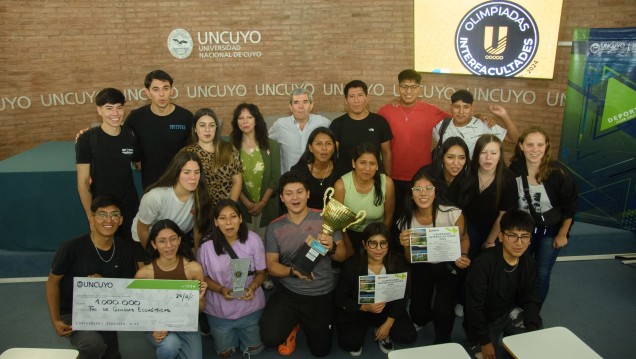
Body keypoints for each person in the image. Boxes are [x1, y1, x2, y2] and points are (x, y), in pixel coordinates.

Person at [259, 171, 347, 357]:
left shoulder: (326, 219)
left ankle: (299, 323)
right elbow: (272, 266)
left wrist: (331, 248)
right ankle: (292, 325)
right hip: (289, 292)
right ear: (282, 198)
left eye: (299, 192)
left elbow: (342, 256)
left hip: (320, 293)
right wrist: (292, 271)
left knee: (321, 351)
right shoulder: (275, 227)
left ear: (308, 194)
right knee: (269, 338)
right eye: (289, 193)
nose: (295, 197)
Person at [46, 195, 136, 359]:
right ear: (92, 218)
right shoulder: (71, 248)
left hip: (105, 312)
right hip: (72, 313)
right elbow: (52, 283)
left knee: (112, 356)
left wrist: (105, 286)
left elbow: (127, 289)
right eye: (102, 214)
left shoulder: (126, 250)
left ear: (121, 220)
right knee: (92, 345)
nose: (108, 220)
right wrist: (56, 320)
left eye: (114, 215)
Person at [396, 167, 471, 344]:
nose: (423, 194)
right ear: (411, 193)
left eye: (428, 188)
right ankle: (421, 319)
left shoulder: (453, 213)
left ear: (436, 192)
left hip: (448, 265)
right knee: (418, 312)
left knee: (443, 310)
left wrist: (464, 255)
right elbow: (409, 259)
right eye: (418, 189)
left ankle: (443, 338)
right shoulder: (405, 220)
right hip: (422, 266)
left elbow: (464, 238)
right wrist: (406, 246)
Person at [509, 127, 577, 304]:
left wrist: (562, 234)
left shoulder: (558, 173)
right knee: (519, 269)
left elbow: (569, 207)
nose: (535, 149)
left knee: (541, 272)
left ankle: (532, 312)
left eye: (540, 145)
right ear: (521, 146)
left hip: (550, 230)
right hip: (523, 230)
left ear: (546, 146)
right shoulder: (515, 168)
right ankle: (516, 306)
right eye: (530, 144)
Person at [463, 210, 543, 359]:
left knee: (532, 349)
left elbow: (531, 297)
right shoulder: (483, 264)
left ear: (530, 240)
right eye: (513, 236)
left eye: (525, 237)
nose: (519, 243)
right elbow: (474, 307)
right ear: (500, 236)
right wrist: (484, 341)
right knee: (483, 356)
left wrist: (532, 331)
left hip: (511, 312)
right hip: (486, 320)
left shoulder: (528, 262)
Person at [197, 200, 267, 358]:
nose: (228, 223)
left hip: (250, 307)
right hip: (218, 310)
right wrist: (222, 290)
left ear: (241, 218)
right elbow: (203, 278)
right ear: (215, 222)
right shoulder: (206, 246)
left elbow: (262, 273)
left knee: (254, 350)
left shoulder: (253, 239)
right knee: (225, 353)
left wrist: (253, 287)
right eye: (222, 218)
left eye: (233, 216)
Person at [335, 222, 416, 356]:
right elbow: (340, 298)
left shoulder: (398, 263)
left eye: (383, 243)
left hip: (386, 309)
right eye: (372, 243)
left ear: (388, 244)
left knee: (408, 336)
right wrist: (363, 307)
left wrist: (388, 323)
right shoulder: (351, 266)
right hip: (359, 309)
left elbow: (403, 295)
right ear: (364, 244)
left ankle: (381, 328)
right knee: (350, 344)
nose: (378, 249)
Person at [378, 69, 451, 215]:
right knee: (395, 218)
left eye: (413, 87)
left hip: (422, 178)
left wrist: (480, 116)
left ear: (419, 88)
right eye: (404, 86)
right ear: (398, 88)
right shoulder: (385, 111)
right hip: (393, 178)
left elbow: (458, 120)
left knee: (420, 218)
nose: (408, 91)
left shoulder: (431, 111)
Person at [135, 219, 207, 359]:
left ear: (179, 240)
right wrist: (152, 329)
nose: (169, 246)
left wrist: (197, 300)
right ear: (154, 244)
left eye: (173, 239)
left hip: (186, 323)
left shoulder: (193, 269)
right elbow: (139, 310)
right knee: (170, 346)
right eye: (162, 241)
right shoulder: (144, 275)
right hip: (158, 324)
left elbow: (201, 308)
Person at [76, 88, 139, 242]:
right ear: (99, 110)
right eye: (109, 108)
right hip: (103, 208)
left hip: (129, 208)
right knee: (106, 250)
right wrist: (92, 215)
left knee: (132, 253)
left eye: (119, 108)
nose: (115, 114)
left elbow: (139, 164)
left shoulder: (130, 135)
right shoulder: (87, 139)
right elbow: (83, 183)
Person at [125, 70, 194, 189]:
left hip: (181, 185)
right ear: (148, 92)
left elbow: (194, 149)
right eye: (156, 89)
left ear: (172, 90)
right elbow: (122, 139)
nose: (161, 94)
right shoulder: (136, 118)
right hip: (151, 185)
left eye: (166, 88)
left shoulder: (186, 117)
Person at [131, 151, 211, 254]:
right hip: (147, 240)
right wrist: (155, 256)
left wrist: (198, 257)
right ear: (177, 174)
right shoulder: (155, 197)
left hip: (175, 240)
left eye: (197, 172)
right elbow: (142, 229)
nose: (193, 177)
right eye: (187, 172)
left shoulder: (201, 196)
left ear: (239, 219)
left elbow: (198, 231)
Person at [334, 142, 395, 256]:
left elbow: (389, 217)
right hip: (349, 236)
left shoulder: (387, 183)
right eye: (362, 163)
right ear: (353, 163)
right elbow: (339, 225)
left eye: (372, 163)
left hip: (377, 236)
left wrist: (379, 243)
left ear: (377, 165)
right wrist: (348, 248)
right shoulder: (341, 186)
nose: (367, 168)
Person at [230, 103, 280, 239]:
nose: (245, 121)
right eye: (240, 118)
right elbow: (230, 179)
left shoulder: (272, 146)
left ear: (256, 120)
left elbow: (275, 178)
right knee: (243, 245)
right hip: (242, 207)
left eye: (249, 117)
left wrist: (262, 203)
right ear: (236, 122)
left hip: (267, 205)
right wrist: (246, 202)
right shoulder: (231, 147)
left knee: (267, 246)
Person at [464, 135, 518, 259]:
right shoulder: (468, 172)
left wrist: (490, 241)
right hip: (468, 227)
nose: (488, 158)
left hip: (494, 229)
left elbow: (503, 215)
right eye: (483, 152)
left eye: (494, 153)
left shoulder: (508, 179)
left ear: (500, 155)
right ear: (477, 154)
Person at [181, 108, 242, 208]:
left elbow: (237, 181)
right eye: (202, 125)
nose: (207, 129)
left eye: (211, 125)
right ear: (195, 128)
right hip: (197, 210)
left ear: (216, 128)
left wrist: (229, 207)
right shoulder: (187, 153)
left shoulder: (230, 149)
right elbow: (182, 186)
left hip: (227, 209)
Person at [330, 80, 393, 175]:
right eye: (351, 96)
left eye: (360, 95)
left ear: (367, 98)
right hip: (344, 179)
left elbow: (386, 153)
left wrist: (387, 178)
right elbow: (332, 155)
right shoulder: (337, 124)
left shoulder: (380, 122)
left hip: (374, 178)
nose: (356, 101)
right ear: (346, 100)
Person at [432, 89, 519, 157]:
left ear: (472, 108)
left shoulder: (485, 125)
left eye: (466, 107)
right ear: (451, 107)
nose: (461, 112)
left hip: (474, 178)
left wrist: (504, 116)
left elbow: (515, 139)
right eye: (457, 107)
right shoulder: (441, 125)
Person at [269, 88, 331, 173]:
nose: (301, 106)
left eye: (305, 102)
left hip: (316, 178)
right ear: (290, 107)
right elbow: (265, 144)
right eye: (296, 102)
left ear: (311, 105)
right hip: (289, 180)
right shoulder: (280, 125)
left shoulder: (323, 123)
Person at [290, 127, 342, 210]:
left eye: (328, 143)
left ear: (333, 149)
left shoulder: (341, 170)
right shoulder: (298, 171)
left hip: (333, 220)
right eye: (319, 144)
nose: (324, 148)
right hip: (306, 219)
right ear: (310, 148)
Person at [428, 136, 472, 210]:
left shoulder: (470, 181)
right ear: (442, 158)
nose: (456, 163)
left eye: (461, 158)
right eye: (450, 157)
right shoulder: (431, 178)